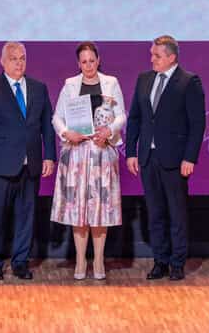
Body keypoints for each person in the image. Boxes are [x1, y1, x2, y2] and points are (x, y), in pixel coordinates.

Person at [124, 34, 205, 281]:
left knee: (177, 214)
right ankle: (160, 261)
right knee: (155, 212)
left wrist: (190, 158)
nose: (152, 59)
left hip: (175, 160)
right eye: (152, 54)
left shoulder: (189, 82)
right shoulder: (144, 79)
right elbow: (135, 118)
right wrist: (131, 152)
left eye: (157, 55)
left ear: (171, 57)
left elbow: (197, 124)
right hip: (148, 158)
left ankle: (177, 263)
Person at [0, 41, 55, 280]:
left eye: (22, 58)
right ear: (2, 61)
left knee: (26, 217)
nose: (19, 63)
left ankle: (20, 262)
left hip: (31, 165)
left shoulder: (39, 88)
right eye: (13, 58)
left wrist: (49, 155)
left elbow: (47, 127)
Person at [51, 41, 125, 280]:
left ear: (98, 60)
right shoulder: (70, 85)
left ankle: (99, 260)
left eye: (92, 61)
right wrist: (66, 133)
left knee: (100, 209)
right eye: (84, 62)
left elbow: (121, 116)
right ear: (78, 63)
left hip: (102, 152)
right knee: (78, 209)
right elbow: (57, 118)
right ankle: (81, 260)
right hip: (76, 154)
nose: (88, 65)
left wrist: (109, 131)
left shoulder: (111, 83)